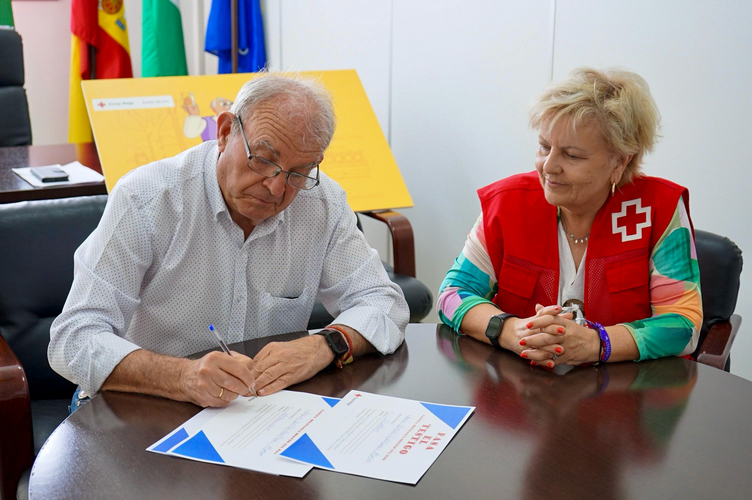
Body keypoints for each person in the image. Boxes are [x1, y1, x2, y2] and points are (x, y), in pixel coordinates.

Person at [49, 73, 409, 410]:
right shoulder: (147, 199)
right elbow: (73, 339)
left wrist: (324, 345)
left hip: (257, 410)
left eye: (299, 173)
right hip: (144, 403)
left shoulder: (321, 203)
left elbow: (385, 303)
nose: (276, 188)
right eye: (264, 159)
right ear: (224, 133)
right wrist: (182, 376)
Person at [437, 68, 702, 367]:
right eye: (544, 147)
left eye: (572, 155)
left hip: (627, 392)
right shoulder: (507, 204)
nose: (548, 166)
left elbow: (683, 324)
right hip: (523, 388)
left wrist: (597, 343)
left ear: (619, 161)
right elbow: (452, 295)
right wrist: (511, 331)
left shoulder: (659, 209)